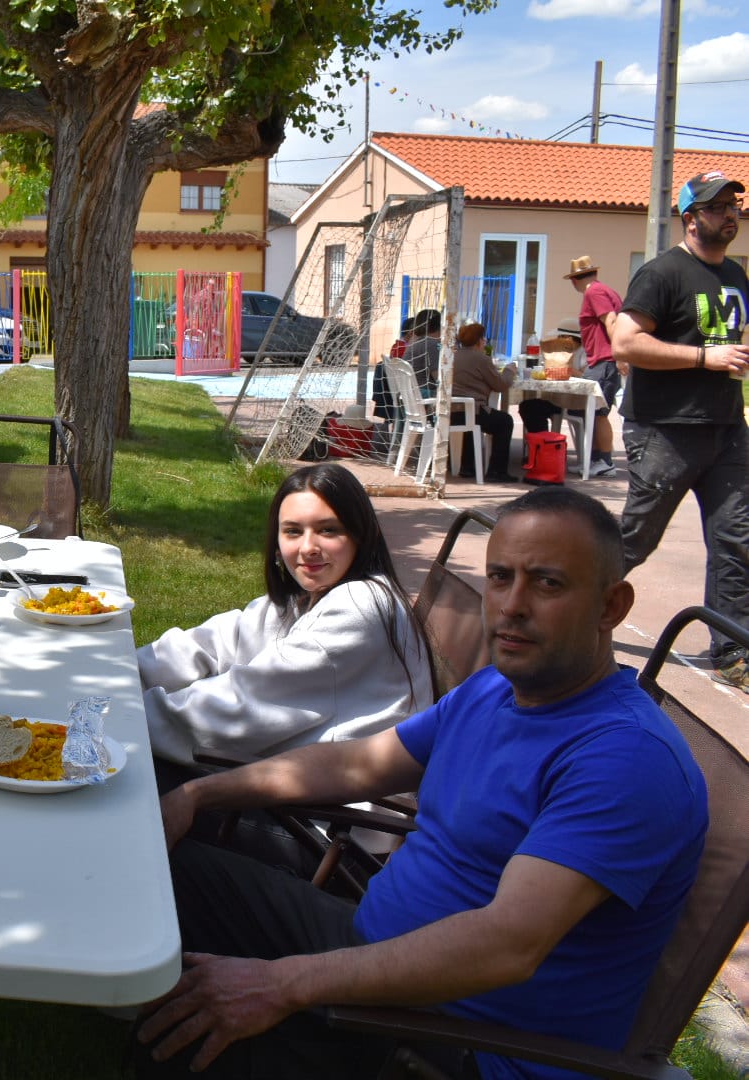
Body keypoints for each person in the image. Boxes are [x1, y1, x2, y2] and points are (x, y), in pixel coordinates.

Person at [135, 487, 707, 1079]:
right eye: (500, 577)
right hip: (368, 955)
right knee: (148, 869)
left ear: (612, 605)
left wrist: (280, 984)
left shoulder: (624, 759)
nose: (511, 605)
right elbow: (356, 764)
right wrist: (198, 794)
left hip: (453, 1042)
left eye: (548, 583)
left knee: (196, 1038)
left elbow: (507, 944)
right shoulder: (494, 691)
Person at [138, 463, 433, 773]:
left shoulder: (358, 610)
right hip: (294, 788)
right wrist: (127, 673)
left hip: (323, 814)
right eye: (293, 531)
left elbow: (241, 706)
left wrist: (123, 716)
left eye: (328, 530)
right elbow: (219, 642)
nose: (308, 548)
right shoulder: (310, 594)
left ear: (361, 535)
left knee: (121, 781)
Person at [611, 170, 749, 690]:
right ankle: (564, 610)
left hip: (727, 430)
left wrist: (726, 361)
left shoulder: (736, 274)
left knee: (737, 540)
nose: (730, 213)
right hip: (664, 431)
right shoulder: (661, 274)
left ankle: (733, 648)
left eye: (734, 204)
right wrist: (703, 357)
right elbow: (626, 343)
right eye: (717, 207)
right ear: (690, 219)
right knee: (635, 540)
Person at [564, 255, 625, 476]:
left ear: (574, 280)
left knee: (598, 412)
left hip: (604, 360)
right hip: (602, 361)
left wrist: (619, 354)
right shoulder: (606, 291)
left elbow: (611, 320)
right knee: (587, 411)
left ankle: (605, 461)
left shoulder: (594, 292)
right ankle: (594, 460)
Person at [449, 321, 518, 482]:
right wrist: (509, 371)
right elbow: (500, 384)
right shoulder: (481, 359)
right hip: (472, 411)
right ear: (479, 341)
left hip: (450, 410)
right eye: (484, 338)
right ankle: (497, 471)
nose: (485, 341)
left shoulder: (451, 355)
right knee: (505, 421)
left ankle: (468, 467)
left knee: (472, 420)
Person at [404, 308, 442, 395]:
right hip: (424, 395)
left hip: (412, 394)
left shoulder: (416, 343)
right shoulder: (431, 344)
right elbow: (439, 379)